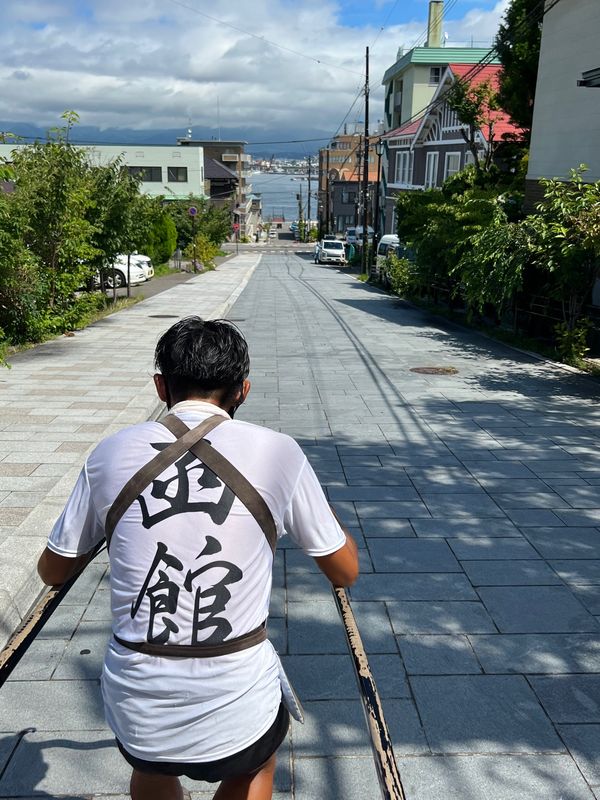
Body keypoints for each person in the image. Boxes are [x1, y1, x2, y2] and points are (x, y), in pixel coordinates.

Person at [37, 317, 359, 800]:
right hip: (236, 693)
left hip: (137, 700)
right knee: (255, 765)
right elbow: (344, 570)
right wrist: (309, 504)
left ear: (161, 386)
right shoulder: (280, 453)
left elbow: (53, 570)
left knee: (151, 768)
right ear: (243, 390)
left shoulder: (108, 453)